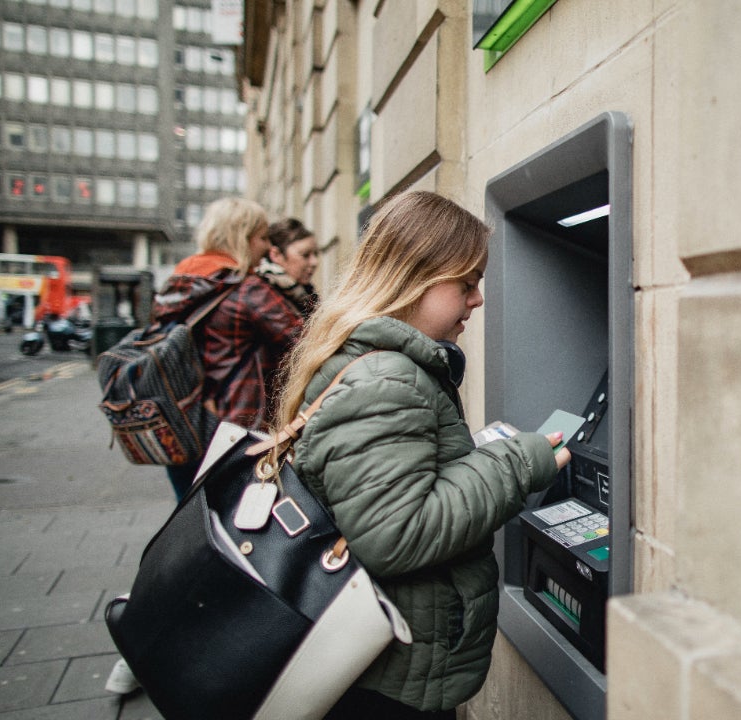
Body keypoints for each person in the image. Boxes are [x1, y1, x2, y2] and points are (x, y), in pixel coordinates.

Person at [267, 190, 569, 719]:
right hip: (387, 676)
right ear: (414, 278)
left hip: (387, 657)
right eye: (467, 284)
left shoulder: (377, 362)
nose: (477, 300)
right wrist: (519, 461)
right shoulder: (384, 377)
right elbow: (396, 533)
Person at [153, 197, 305, 499]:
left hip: (181, 428)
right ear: (242, 237)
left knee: (192, 522)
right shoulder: (245, 288)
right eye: (262, 237)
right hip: (233, 433)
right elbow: (308, 341)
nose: (266, 248)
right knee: (237, 532)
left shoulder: (177, 286)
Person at [259, 217, 320, 316]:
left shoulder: (305, 294)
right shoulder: (264, 295)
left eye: (316, 254)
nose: (314, 262)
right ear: (276, 255)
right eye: (305, 255)